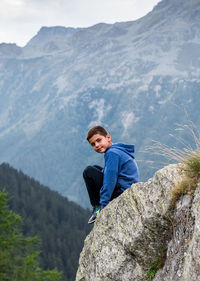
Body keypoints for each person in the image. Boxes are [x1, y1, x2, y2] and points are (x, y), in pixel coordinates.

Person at [83, 125, 139, 224]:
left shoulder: (112, 153)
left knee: (89, 171)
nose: (96, 145)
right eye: (93, 144)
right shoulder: (117, 149)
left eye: (99, 140)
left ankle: (97, 207)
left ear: (108, 137)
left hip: (122, 191)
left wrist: (104, 205)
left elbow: (110, 182)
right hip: (127, 187)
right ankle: (98, 205)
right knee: (96, 168)